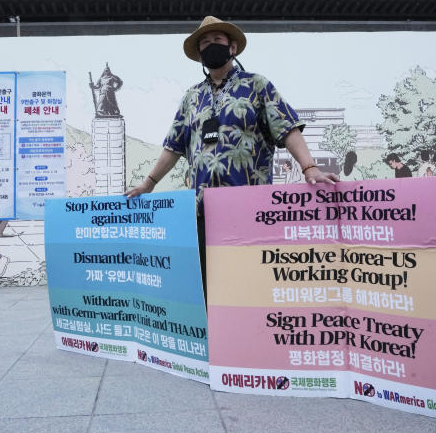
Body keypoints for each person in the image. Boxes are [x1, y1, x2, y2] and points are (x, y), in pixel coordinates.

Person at [125, 16, 339, 291]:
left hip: (249, 208)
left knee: (247, 287)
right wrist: (149, 183)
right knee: (205, 285)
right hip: (201, 210)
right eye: (204, 43)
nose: (210, 46)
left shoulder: (257, 85)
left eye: (217, 41)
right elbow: (174, 145)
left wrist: (310, 168)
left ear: (233, 48)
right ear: (199, 54)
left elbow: (287, 128)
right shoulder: (192, 97)